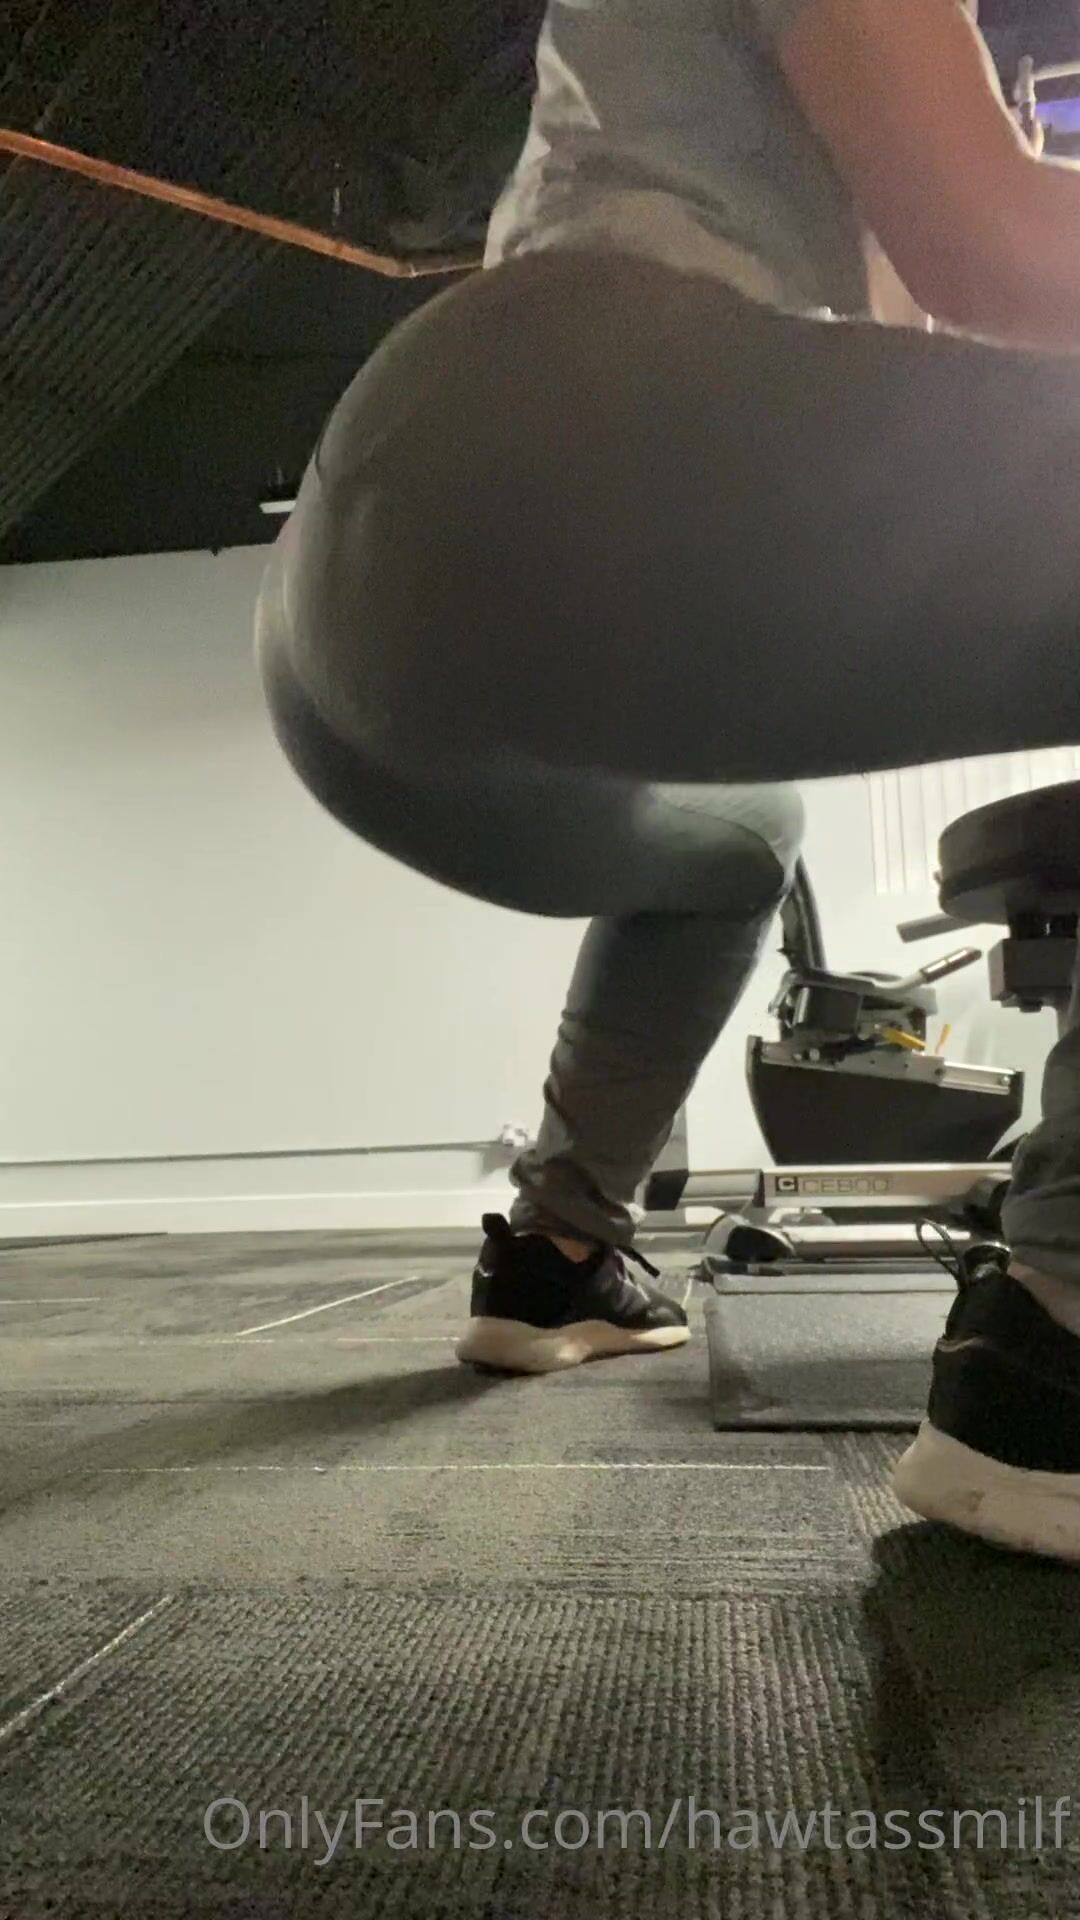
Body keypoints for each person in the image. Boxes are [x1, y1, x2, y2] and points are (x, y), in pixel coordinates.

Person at [256, 0, 1080, 1562]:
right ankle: (1063, 1342)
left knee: (738, 846)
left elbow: (947, 318)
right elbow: (992, 244)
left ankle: (558, 1256)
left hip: (347, 621)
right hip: (589, 423)